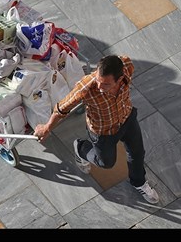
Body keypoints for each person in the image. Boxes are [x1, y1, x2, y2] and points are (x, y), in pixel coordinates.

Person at [34, 55, 159, 204]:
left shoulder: (127, 66)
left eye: (105, 84)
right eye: (99, 81)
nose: (99, 87)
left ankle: (138, 182)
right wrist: (47, 128)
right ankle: (80, 148)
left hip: (126, 117)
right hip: (103, 131)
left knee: (137, 152)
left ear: (119, 79)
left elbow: (121, 60)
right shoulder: (86, 88)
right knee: (105, 163)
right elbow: (61, 108)